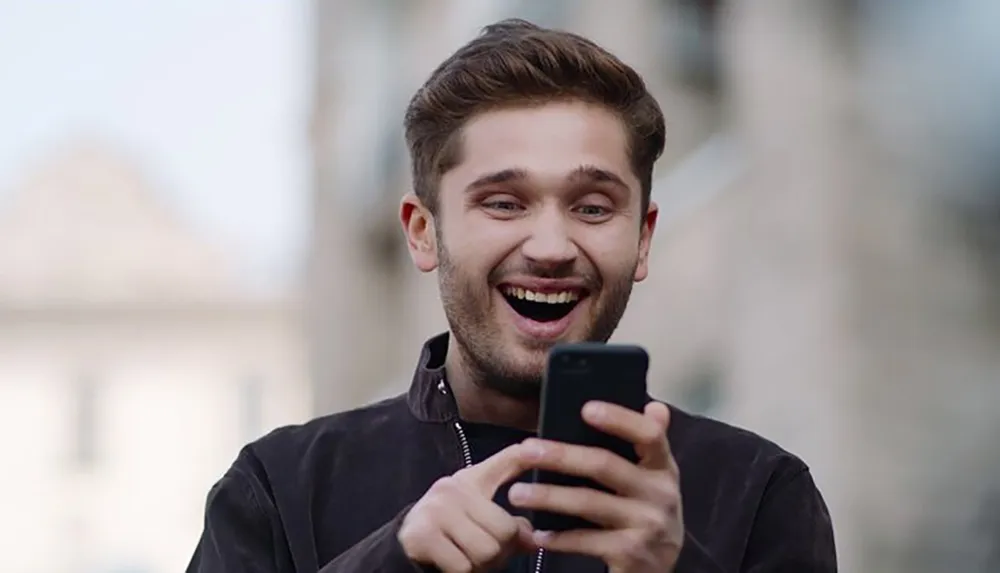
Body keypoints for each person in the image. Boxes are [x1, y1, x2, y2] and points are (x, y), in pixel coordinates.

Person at [187, 18, 837, 573]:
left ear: (642, 239)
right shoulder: (279, 486)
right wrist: (391, 560)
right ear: (423, 233)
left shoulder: (761, 492)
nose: (551, 245)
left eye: (592, 205)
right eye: (503, 202)